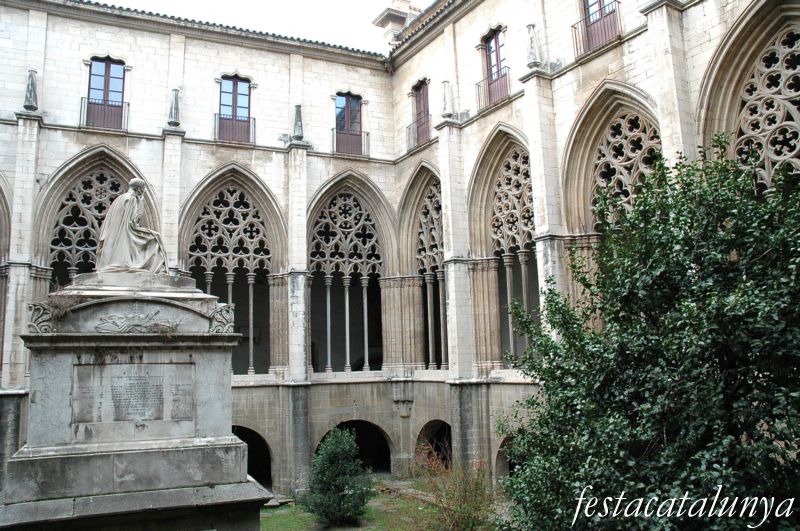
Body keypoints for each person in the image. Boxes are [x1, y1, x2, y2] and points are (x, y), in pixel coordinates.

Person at [96, 178, 168, 274]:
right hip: (127, 233)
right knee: (155, 238)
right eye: (143, 188)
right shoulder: (132, 198)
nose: (144, 190)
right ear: (139, 188)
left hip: (117, 233)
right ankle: (148, 268)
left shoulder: (120, 198)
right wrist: (141, 202)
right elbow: (134, 222)